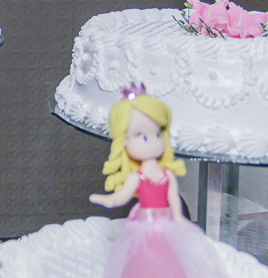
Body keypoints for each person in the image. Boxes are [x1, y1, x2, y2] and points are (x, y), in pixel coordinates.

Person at [89, 86, 227, 278]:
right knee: (144, 261)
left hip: (167, 224)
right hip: (144, 227)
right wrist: (106, 200)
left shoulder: (167, 175)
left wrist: (179, 219)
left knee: (171, 260)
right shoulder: (136, 177)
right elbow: (121, 197)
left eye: (158, 134)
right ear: (125, 141)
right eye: (143, 136)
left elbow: (174, 200)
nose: (154, 142)